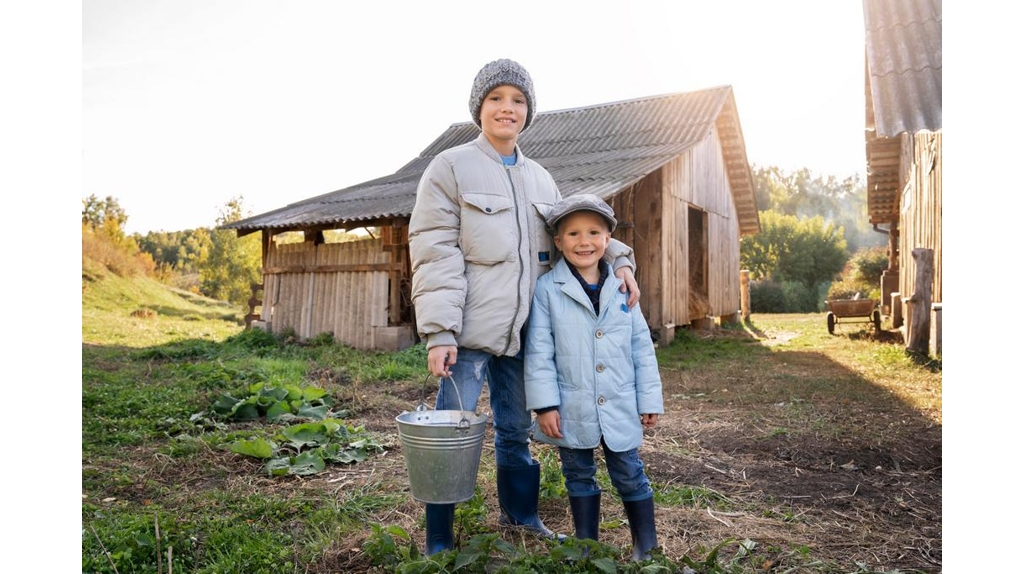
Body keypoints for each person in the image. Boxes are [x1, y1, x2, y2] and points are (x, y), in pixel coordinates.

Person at [408, 58, 641, 555]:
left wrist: (620, 259)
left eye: (517, 101)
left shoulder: (540, 179)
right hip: (467, 335)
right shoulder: (451, 167)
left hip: (525, 334)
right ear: (479, 108)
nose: (506, 109)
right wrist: (441, 331)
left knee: (516, 430)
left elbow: (575, 236)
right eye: (496, 99)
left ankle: (521, 516)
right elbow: (435, 251)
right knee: (453, 432)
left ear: (528, 112)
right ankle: (439, 539)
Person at [524, 194, 663, 561]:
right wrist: (545, 405)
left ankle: (646, 546)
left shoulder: (623, 288)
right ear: (558, 242)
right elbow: (539, 352)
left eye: (593, 232)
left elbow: (641, 348)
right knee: (578, 474)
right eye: (572, 234)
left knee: (630, 472)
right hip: (572, 405)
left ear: (608, 239)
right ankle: (587, 545)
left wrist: (648, 401)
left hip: (619, 401)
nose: (583, 242)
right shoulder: (547, 290)